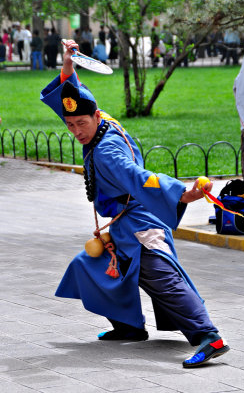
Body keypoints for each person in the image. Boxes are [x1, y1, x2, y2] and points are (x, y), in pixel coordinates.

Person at [40, 39, 230, 368]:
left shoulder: (107, 152)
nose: (76, 131)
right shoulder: (101, 121)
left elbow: (140, 177)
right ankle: (129, 326)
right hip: (123, 223)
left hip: (141, 222)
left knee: (163, 280)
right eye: (70, 126)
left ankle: (209, 337)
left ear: (95, 116)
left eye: (81, 124)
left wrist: (183, 194)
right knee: (90, 266)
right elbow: (72, 98)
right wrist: (69, 65)